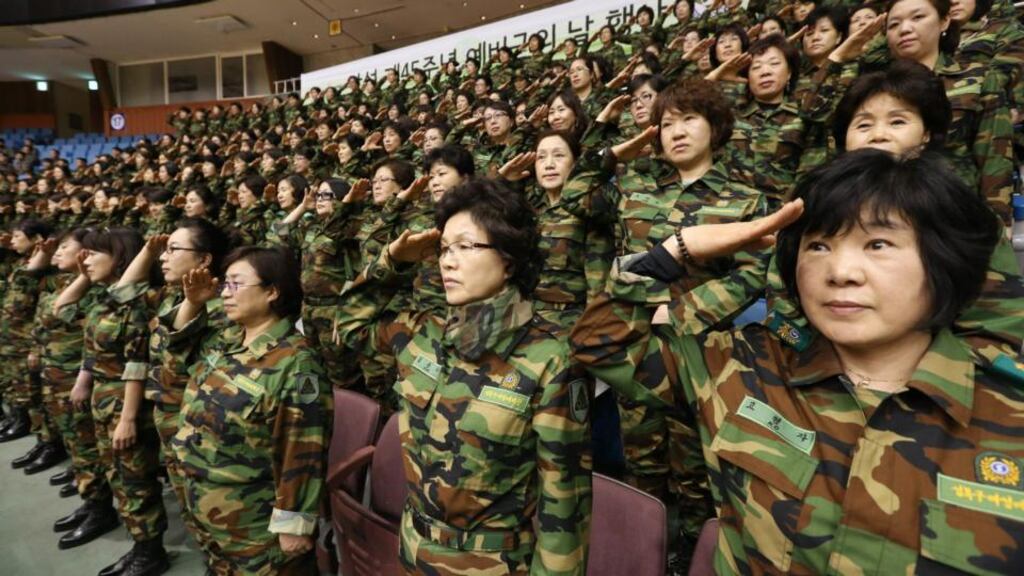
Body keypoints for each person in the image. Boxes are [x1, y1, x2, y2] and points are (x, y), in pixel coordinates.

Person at [571, 149, 1024, 575]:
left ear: (944, 261)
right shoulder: (745, 367)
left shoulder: (1006, 415)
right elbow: (601, 347)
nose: (841, 272)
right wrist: (675, 251)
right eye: (819, 247)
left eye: (879, 244)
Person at [334, 178, 591, 574]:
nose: (447, 261)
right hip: (412, 549)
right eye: (443, 249)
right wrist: (393, 259)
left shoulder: (548, 359)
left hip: (487, 564)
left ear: (508, 259)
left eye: (465, 247)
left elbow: (565, 507)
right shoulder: (423, 333)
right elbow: (348, 326)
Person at [172, 247, 328, 575]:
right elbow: (179, 349)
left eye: (236, 285)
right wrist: (195, 302)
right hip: (206, 505)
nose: (225, 295)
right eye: (224, 285)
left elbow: (302, 449)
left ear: (272, 291)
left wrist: (293, 524)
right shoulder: (229, 340)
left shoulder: (296, 363)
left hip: (253, 521)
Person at [59, 227, 169, 576]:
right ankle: (139, 543)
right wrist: (82, 276)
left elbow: (138, 362)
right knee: (118, 475)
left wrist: (128, 417)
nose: (85, 259)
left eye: (93, 254)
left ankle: (150, 551)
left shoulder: (135, 303)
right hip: (104, 400)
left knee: (136, 480)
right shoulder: (104, 298)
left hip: (126, 401)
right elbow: (61, 310)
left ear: (119, 257)